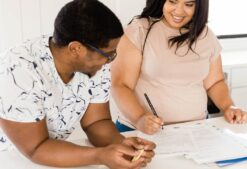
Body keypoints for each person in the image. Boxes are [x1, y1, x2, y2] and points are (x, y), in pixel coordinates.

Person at [0, 0, 155, 168]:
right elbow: (35, 149)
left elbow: (96, 122)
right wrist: (101, 156)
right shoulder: (19, 70)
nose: (111, 60)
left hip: (52, 155)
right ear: (76, 49)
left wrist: (121, 145)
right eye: (109, 54)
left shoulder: (95, 62)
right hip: (11, 159)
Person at [111, 0, 247, 134]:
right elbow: (121, 85)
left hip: (196, 130)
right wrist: (139, 118)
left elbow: (215, 82)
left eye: (189, 4)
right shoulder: (139, 30)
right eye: (172, 1)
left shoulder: (205, 35)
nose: (179, 11)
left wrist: (228, 106)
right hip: (139, 130)